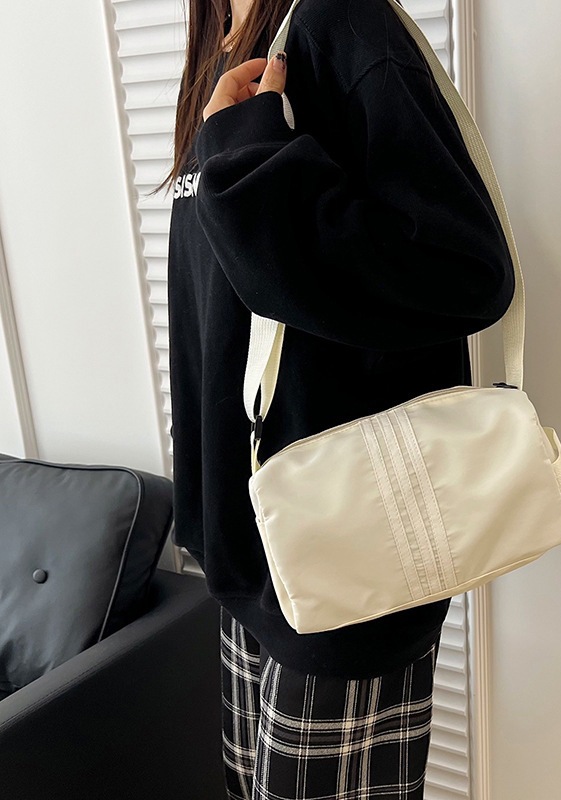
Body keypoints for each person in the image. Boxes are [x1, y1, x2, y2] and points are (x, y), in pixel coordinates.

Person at [158, 0, 515, 796]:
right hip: (250, 550)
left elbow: (465, 270)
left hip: (345, 564)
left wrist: (254, 158)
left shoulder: (340, 23)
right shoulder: (221, 47)